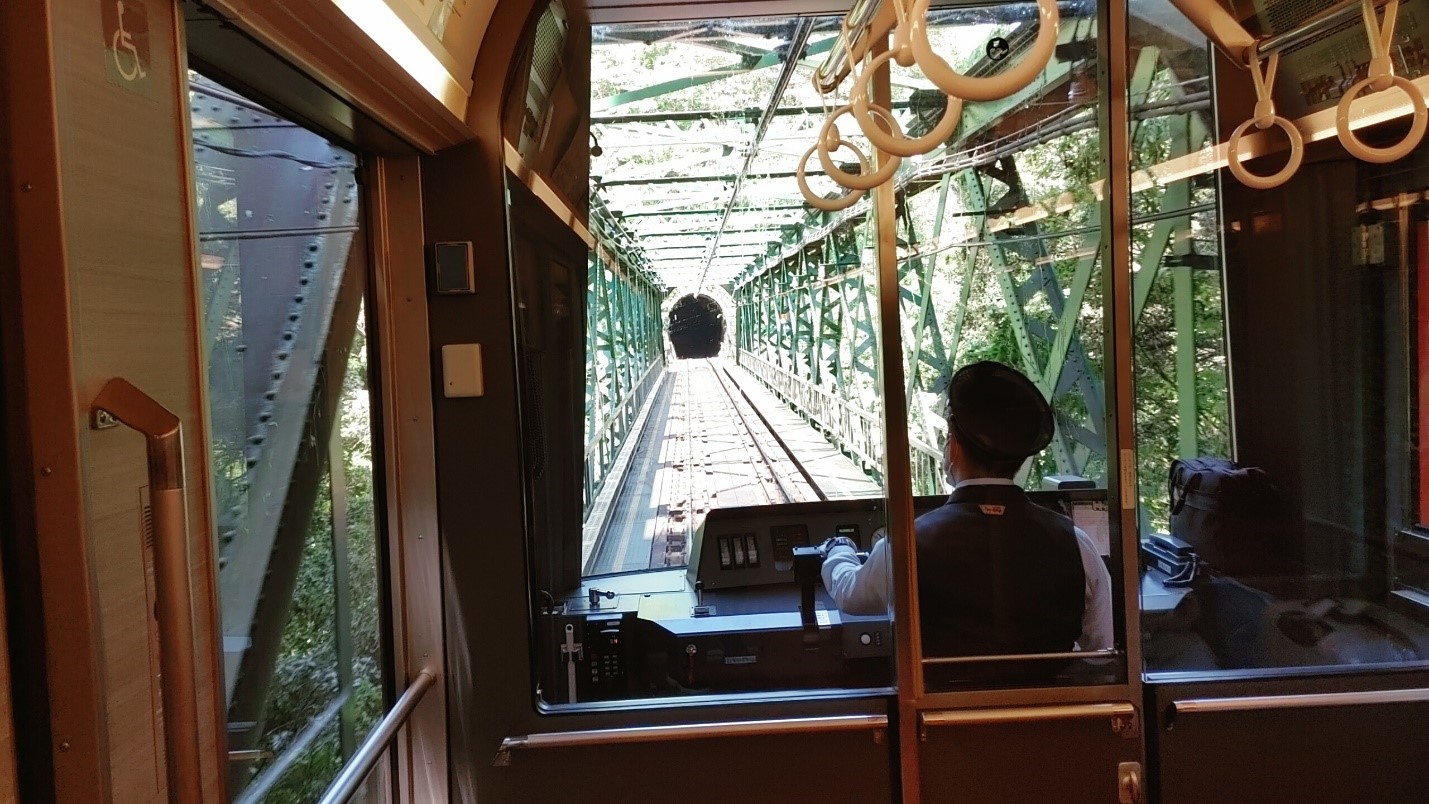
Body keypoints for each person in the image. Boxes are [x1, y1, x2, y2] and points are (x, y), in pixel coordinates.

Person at [820, 361, 1113, 661]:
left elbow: (849, 593)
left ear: (954, 449)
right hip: (1044, 706)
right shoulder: (1076, 544)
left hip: (936, 706)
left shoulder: (906, 547)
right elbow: (1102, 649)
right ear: (1021, 459)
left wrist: (838, 550)